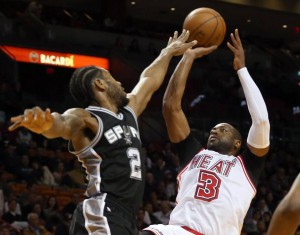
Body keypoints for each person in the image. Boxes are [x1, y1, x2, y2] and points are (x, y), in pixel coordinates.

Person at [8, 30, 197, 235]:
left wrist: (168, 52)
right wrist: (45, 125)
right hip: (103, 210)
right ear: (100, 84)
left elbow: (149, 79)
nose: (120, 83)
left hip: (124, 216)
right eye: (112, 78)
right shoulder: (86, 117)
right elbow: (62, 123)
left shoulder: (129, 111)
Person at [142, 28, 270, 235]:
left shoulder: (247, 165)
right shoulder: (193, 154)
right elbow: (170, 106)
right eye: (214, 128)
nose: (215, 130)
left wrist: (242, 70)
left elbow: (262, 121)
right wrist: (188, 57)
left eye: (224, 129)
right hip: (178, 230)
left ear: (238, 143)